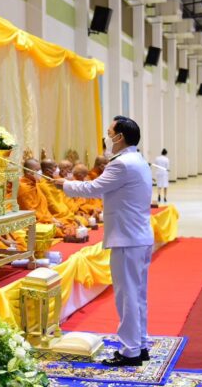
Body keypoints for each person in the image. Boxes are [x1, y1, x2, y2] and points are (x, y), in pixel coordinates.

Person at [54, 116, 153, 366]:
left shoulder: (121, 164)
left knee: (127, 296)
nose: (107, 138)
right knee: (137, 294)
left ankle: (131, 351)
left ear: (120, 137)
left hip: (127, 239)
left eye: (110, 133)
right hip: (138, 236)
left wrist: (64, 185)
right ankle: (140, 344)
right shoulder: (137, 159)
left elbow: (94, 188)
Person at [17, 158, 73, 238]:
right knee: (55, 229)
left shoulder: (36, 185)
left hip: (45, 219)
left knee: (62, 225)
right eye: (37, 170)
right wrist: (50, 221)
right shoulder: (23, 188)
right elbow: (31, 212)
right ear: (29, 172)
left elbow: (44, 209)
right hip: (32, 222)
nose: (40, 172)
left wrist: (53, 219)